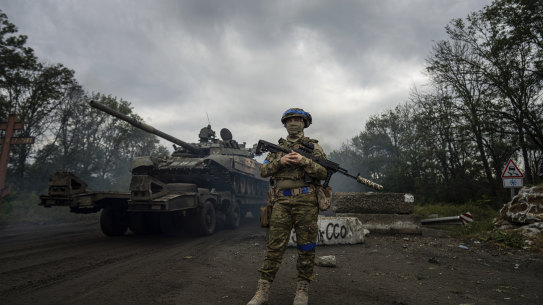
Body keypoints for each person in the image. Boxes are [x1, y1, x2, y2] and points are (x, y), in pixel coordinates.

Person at [247, 108, 328, 305]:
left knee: (306, 247)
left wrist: (304, 161)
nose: (293, 123)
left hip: (307, 201)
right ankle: (262, 291)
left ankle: (302, 291)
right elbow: (263, 171)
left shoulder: (314, 147)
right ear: (285, 124)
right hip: (281, 202)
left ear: (304, 123)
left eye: (297, 119)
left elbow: (324, 172)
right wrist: (281, 162)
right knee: (274, 248)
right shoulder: (275, 149)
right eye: (289, 120)